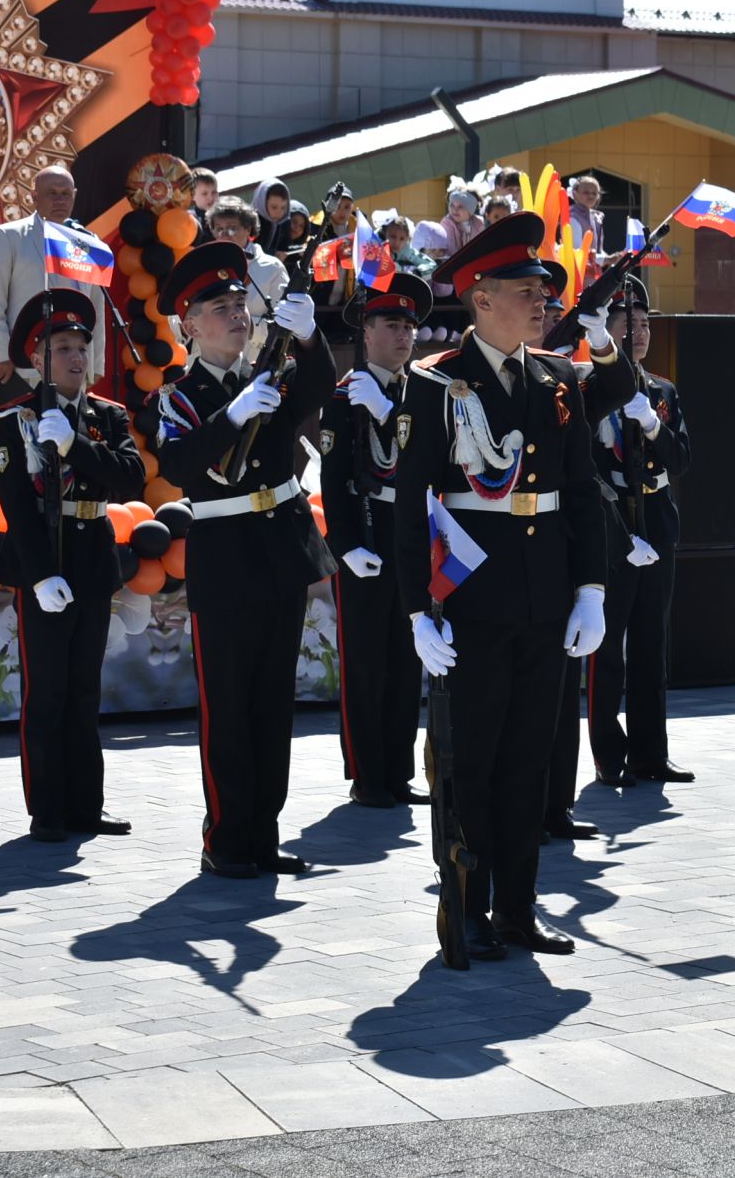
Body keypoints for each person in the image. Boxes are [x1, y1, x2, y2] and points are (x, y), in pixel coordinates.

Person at [392, 211, 609, 959]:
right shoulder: (437, 384)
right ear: (481, 299)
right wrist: (417, 609)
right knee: (470, 760)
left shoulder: (557, 377)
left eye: (543, 288)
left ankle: (520, 909)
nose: (542, 299)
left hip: (543, 594)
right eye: (525, 288)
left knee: (530, 760)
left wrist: (591, 587)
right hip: (471, 603)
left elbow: (583, 490)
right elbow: (411, 502)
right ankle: (467, 910)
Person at [151, 242, 336, 877]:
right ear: (189, 326)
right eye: (219, 307)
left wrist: (309, 338)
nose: (235, 313)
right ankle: (226, 839)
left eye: (240, 302)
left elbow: (320, 390)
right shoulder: (180, 396)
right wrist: (229, 417)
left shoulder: (274, 373)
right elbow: (177, 466)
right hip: (226, 560)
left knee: (271, 703)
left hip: (279, 552)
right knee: (227, 705)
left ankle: (263, 832)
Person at [0, 289, 145, 843]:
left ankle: (87, 804)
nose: (77, 357)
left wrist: (76, 443)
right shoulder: (15, 420)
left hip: (92, 560)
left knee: (84, 691)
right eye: (62, 347)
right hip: (46, 563)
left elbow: (131, 478)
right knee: (47, 691)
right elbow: (16, 507)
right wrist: (38, 575)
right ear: (37, 360)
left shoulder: (108, 417)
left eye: (83, 345)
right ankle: (47, 808)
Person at [320, 277, 434, 809]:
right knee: (366, 661)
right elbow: (333, 476)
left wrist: (392, 413)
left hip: (411, 532)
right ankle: (367, 773)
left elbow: (430, 462)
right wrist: (344, 545)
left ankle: (398, 769)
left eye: (410, 326)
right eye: (392, 324)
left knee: (406, 658)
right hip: (366, 533)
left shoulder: (423, 393)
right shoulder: (345, 396)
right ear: (366, 332)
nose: (404, 335)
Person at [539, 264, 638, 836]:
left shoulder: (563, 381)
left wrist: (599, 339)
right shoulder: (466, 379)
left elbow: (617, 388)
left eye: (555, 313)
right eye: (542, 310)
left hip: (564, 549)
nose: (547, 319)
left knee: (560, 691)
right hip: (502, 556)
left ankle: (557, 806)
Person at [587, 279, 694, 788]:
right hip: (614, 528)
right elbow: (585, 474)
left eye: (646, 323)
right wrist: (622, 538)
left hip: (658, 518)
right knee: (608, 649)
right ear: (606, 332)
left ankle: (652, 752)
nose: (641, 332)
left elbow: (682, 461)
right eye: (628, 324)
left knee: (653, 645)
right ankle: (609, 754)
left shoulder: (663, 391)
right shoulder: (588, 388)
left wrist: (652, 424)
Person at [0, 165, 106, 396]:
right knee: (23, 432)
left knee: (71, 432)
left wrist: (95, 364)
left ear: (74, 196)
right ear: (34, 197)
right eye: (51, 193)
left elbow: (96, 306)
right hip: (25, 368)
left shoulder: (87, 242)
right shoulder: (9, 236)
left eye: (65, 194)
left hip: (73, 370)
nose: (59, 200)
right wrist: (1, 354)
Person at [206, 195, 288, 335]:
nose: (224, 234)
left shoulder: (272, 267)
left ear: (248, 229)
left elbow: (285, 323)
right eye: (219, 229)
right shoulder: (204, 265)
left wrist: (249, 328)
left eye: (232, 228)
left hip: (255, 354)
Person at [252, 178, 292, 253]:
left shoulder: (279, 222)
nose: (279, 213)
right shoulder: (250, 223)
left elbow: (282, 248)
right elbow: (250, 253)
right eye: (274, 207)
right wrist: (273, 254)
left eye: (283, 208)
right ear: (262, 203)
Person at [190, 167, 218, 241]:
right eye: (204, 194)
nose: (210, 197)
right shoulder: (191, 220)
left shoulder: (224, 216)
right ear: (192, 195)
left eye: (214, 192)